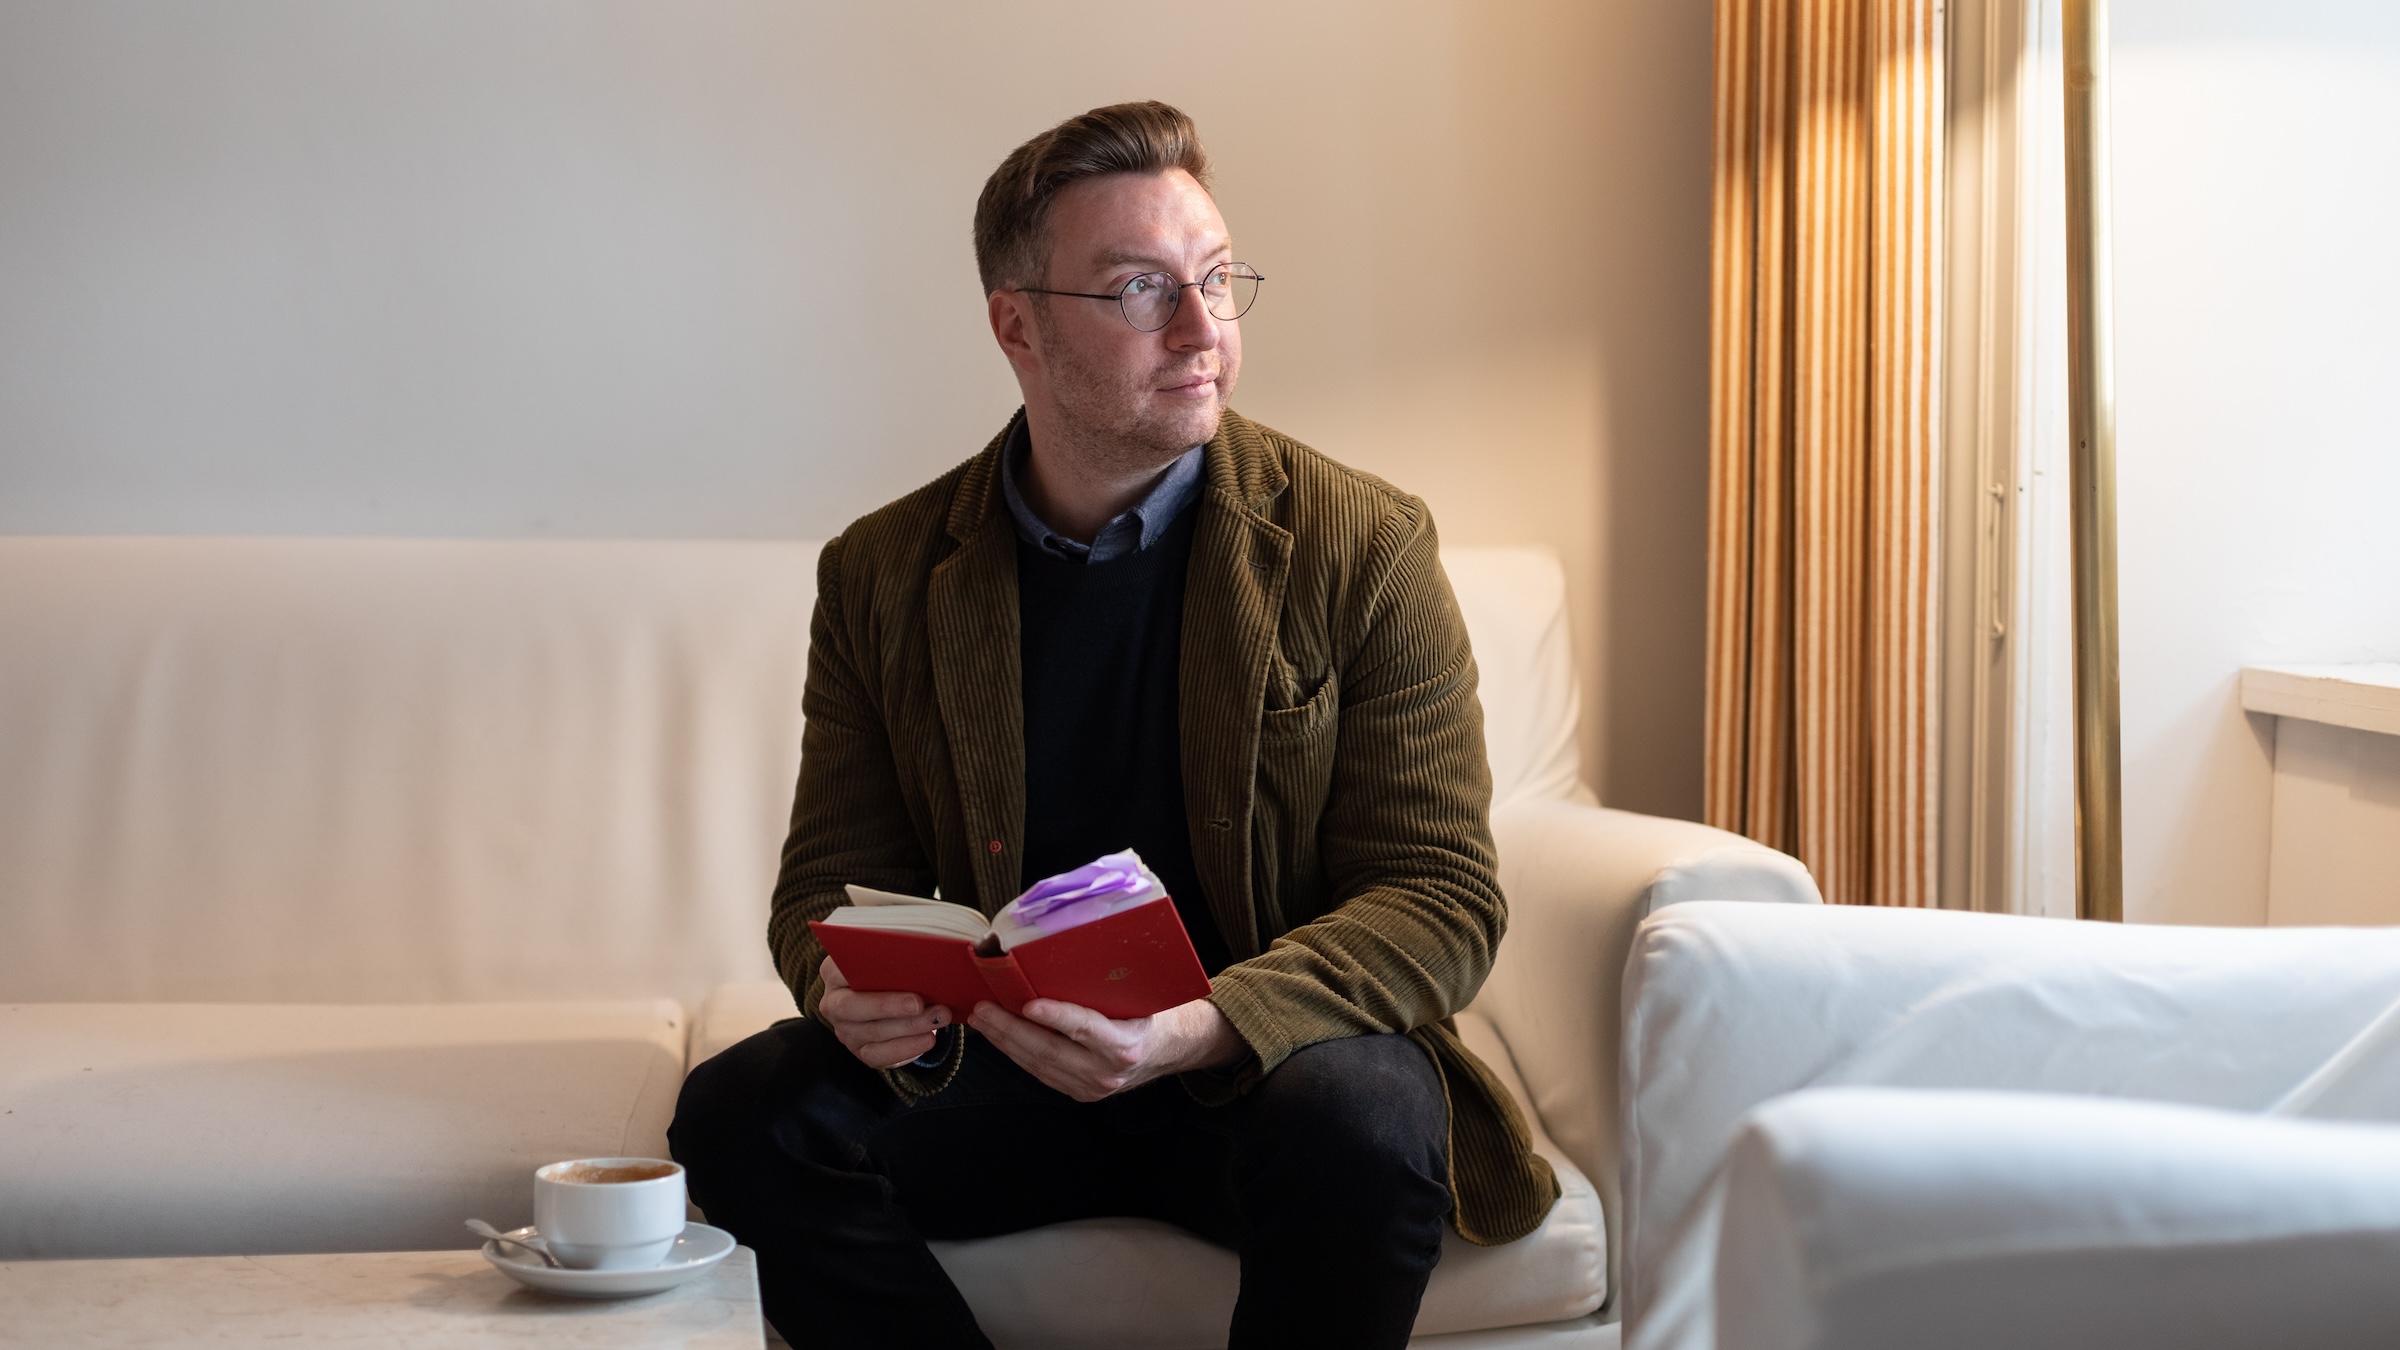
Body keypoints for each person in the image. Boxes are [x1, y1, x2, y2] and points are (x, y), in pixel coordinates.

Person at [668, 100, 1556, 1350]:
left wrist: (1201, 1028)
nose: (1202, 329)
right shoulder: (882, 573)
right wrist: (844, 988)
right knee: (741, 1110)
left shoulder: (1365, 545)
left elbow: (1439, 895)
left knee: (1365, 1113)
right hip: (1003, 1080)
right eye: (1142, 289)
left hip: (1261, 1079)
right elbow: (827, 881)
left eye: (1217, 279)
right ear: (1017, 327)